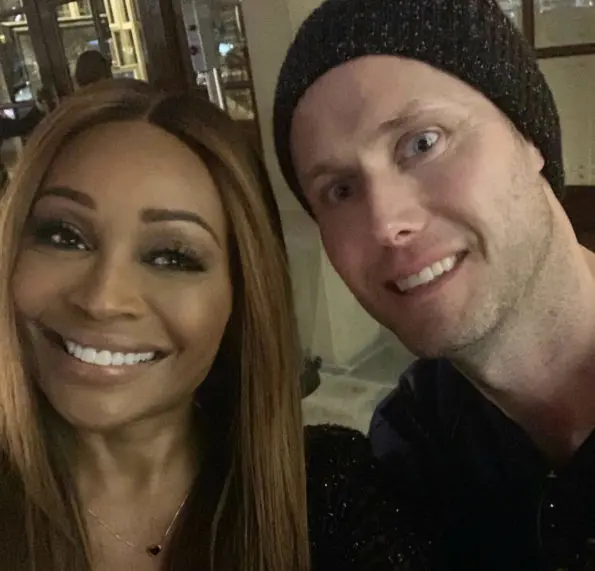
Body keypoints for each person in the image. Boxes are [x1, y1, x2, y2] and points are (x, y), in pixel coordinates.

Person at [0, 78, 432, 571]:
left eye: (171, 256)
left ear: (241, 297)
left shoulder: (332, 496)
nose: (102, 300)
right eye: (64, 236)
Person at [273, 0, 595, 569]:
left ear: (529, 136)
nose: (385, 223)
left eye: (423, 143)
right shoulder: (413, 447)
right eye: (340, 190)